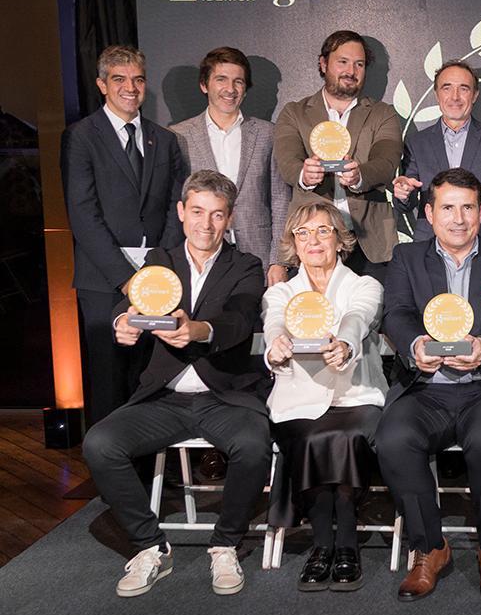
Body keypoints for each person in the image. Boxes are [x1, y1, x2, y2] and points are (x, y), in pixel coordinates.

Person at [81, 170, 270, 597]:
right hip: (164, 399)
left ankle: (225, 544)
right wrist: (122, 322)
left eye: (217, 215)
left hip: (225, 396)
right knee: (99, 443)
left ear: (230, 218)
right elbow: (125, 303)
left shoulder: (246, 265)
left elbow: (239, 319)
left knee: (254, 445)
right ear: (182, 212)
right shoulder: (159, 262)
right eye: (198, 212)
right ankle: (150, 546)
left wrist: (199, 329)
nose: (206, 224)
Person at [376, 167, 481, 601]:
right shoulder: (407, 258)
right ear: (429, 213)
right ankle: (430, 547)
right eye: (448, 207)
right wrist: (414, 344)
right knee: (393, 437)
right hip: (426, 387)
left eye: (468, 207)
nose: (458, 218)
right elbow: (396, 314)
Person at [262, 200, 386, 592]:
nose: (313, 240)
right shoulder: (281, 291)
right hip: (298, 396)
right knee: (311, 435)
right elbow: (275, 321)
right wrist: (275, 345)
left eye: (322, 231)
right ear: (293, 245)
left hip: (356, 393)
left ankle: (343, 543)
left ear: (340, 240)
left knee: (344, 436)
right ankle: (322, 544)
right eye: (303, 233)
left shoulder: (364, 285)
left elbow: (357, 317)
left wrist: (347, 344)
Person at [62, 44, 187, 427]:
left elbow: (173, 206)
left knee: (149, 377)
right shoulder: (80, 137)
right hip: (103, 281)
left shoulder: (163, 139)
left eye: (137, 79)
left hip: (157, 279)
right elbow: (83, 214)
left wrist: (155, 268)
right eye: (119, 79)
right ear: (102, 84)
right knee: (109, 378)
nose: (130, 88)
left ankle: (151, 473)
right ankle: (109, 476)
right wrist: (126, 278)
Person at [273, 30, 402, 282]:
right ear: (323, 63)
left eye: (359, 64)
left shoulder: (382, 113)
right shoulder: (294, 113)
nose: (350, 71)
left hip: (370, 242)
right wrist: (305, 174)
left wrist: (359, 176)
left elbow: (387, 161)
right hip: (313, 242)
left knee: (372, 317)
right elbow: (287, 163)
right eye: (342, 62)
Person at [171, 46, 292, 287]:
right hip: (200, 257)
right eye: (221, 79)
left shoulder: (268, 133)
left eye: (238, 82)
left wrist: (279, 261)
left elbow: (280, 199)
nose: (230, 89)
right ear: (204, 85)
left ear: (245, 90)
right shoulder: (178, 136)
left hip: (258, 257)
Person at [391, 59, 481, 246]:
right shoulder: (416, 142)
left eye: (464, 88)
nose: (455, 97)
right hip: (430, 244)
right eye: (447, 88)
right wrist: (403, 192)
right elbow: (405, 203)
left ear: (475, 95)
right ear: (436, 94)